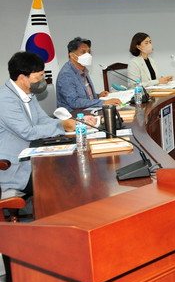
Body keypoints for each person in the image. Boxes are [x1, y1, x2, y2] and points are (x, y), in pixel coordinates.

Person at [0, 52, 78, 196]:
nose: (43, 80)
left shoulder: (28, 93)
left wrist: (70, 123)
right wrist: (62, 126)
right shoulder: (5, 99)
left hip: (33, 158)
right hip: (14, 168)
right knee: (63, 182)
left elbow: (43, 120)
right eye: (39, 76)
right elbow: (27, 132)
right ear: (22, 78)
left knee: (72, 168)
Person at [56, 37, 121, 112]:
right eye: (83, 52)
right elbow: (74, 102)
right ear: (72, 55)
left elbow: (84, 97)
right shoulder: (66, 74)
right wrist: (102, 102)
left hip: (87, 111)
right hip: (72, 114)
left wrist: (97, 96)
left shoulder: (83, 69)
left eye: (89, 52)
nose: (88, 55)